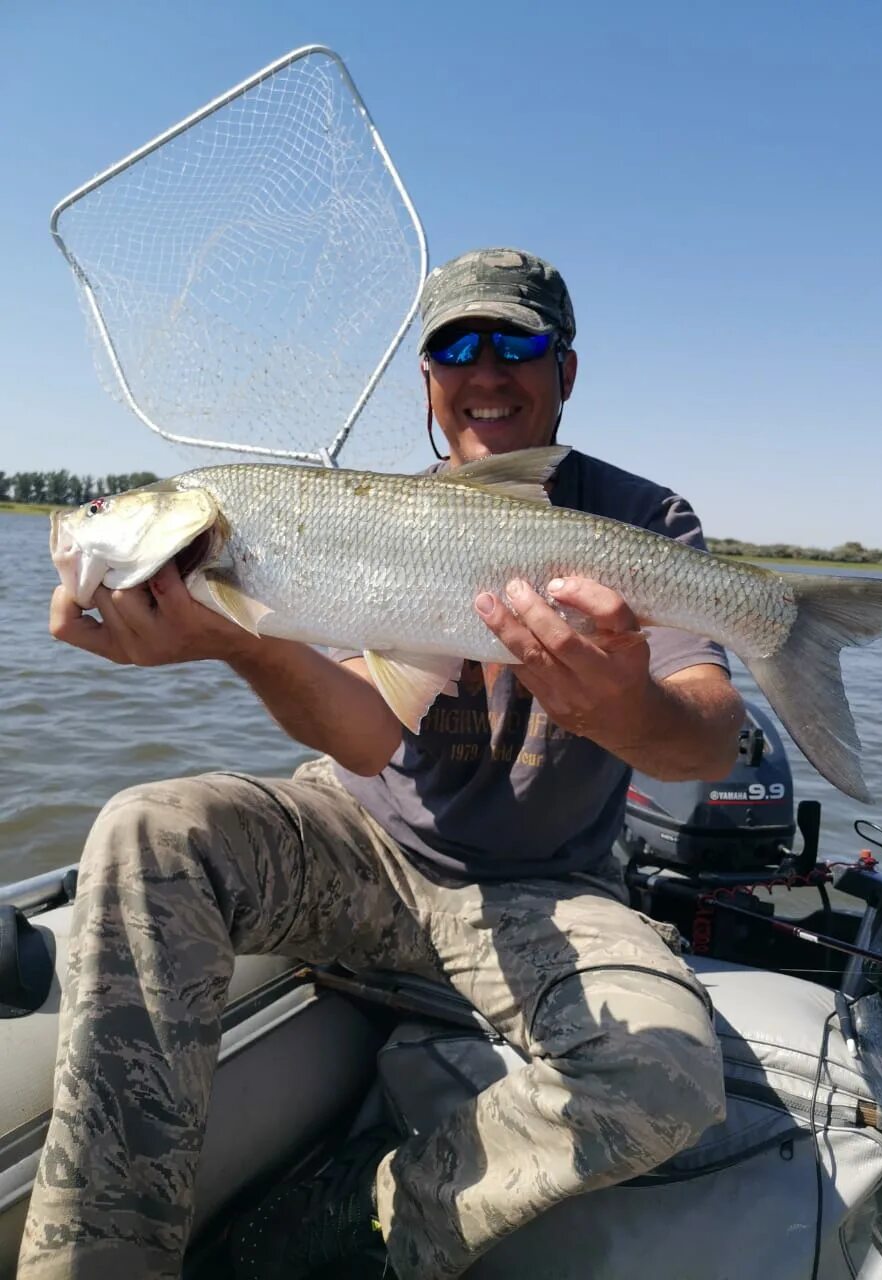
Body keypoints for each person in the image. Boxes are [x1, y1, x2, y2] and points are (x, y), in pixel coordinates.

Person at [22, 247, 744, 1280]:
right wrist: (236, 637)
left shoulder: (639, 524)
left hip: (544, 888)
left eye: (518, 342)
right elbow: (367, 736)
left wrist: (630, 708)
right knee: (146, 825)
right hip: (364, 843)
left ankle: (356, 1214)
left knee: (665, 1074)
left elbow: (713, 737)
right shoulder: (356, 518)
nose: (486, 370)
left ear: (567, 371)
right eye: (457, 345)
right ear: (426, 377)